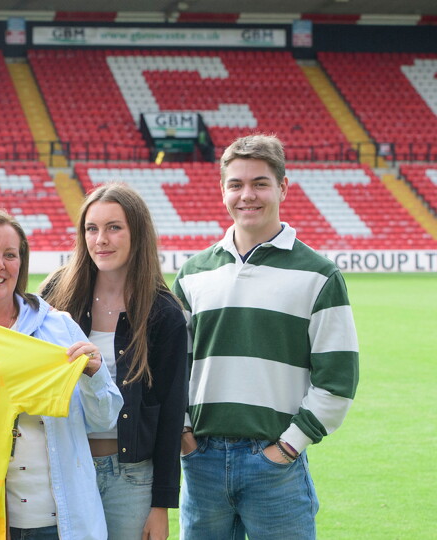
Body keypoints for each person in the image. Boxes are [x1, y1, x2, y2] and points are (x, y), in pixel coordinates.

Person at [172, 134, 359, 539]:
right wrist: (185, 437)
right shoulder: (193, 273)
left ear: (283, 188)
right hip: (201, 462)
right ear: (222, 190)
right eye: (236, 184)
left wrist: (288, 447)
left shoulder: (320, 275)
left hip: (275, 464)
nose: (247, 195)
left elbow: (338, 380)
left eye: (259, 183)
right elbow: (173, 369)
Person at [0, 209, 123, 540]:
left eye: (10, 255)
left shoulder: (58, 328)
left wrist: (93, 376)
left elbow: (104, 417)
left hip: (60, 524)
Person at [40, 183, 188, 540]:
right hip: (64, 465)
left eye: (114, 228)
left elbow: (171, 415)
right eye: (92, 228)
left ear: (137, 233)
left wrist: (160, 506)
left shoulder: (164, 313)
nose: (100, 239)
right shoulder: (56, 294)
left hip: (131, 479)